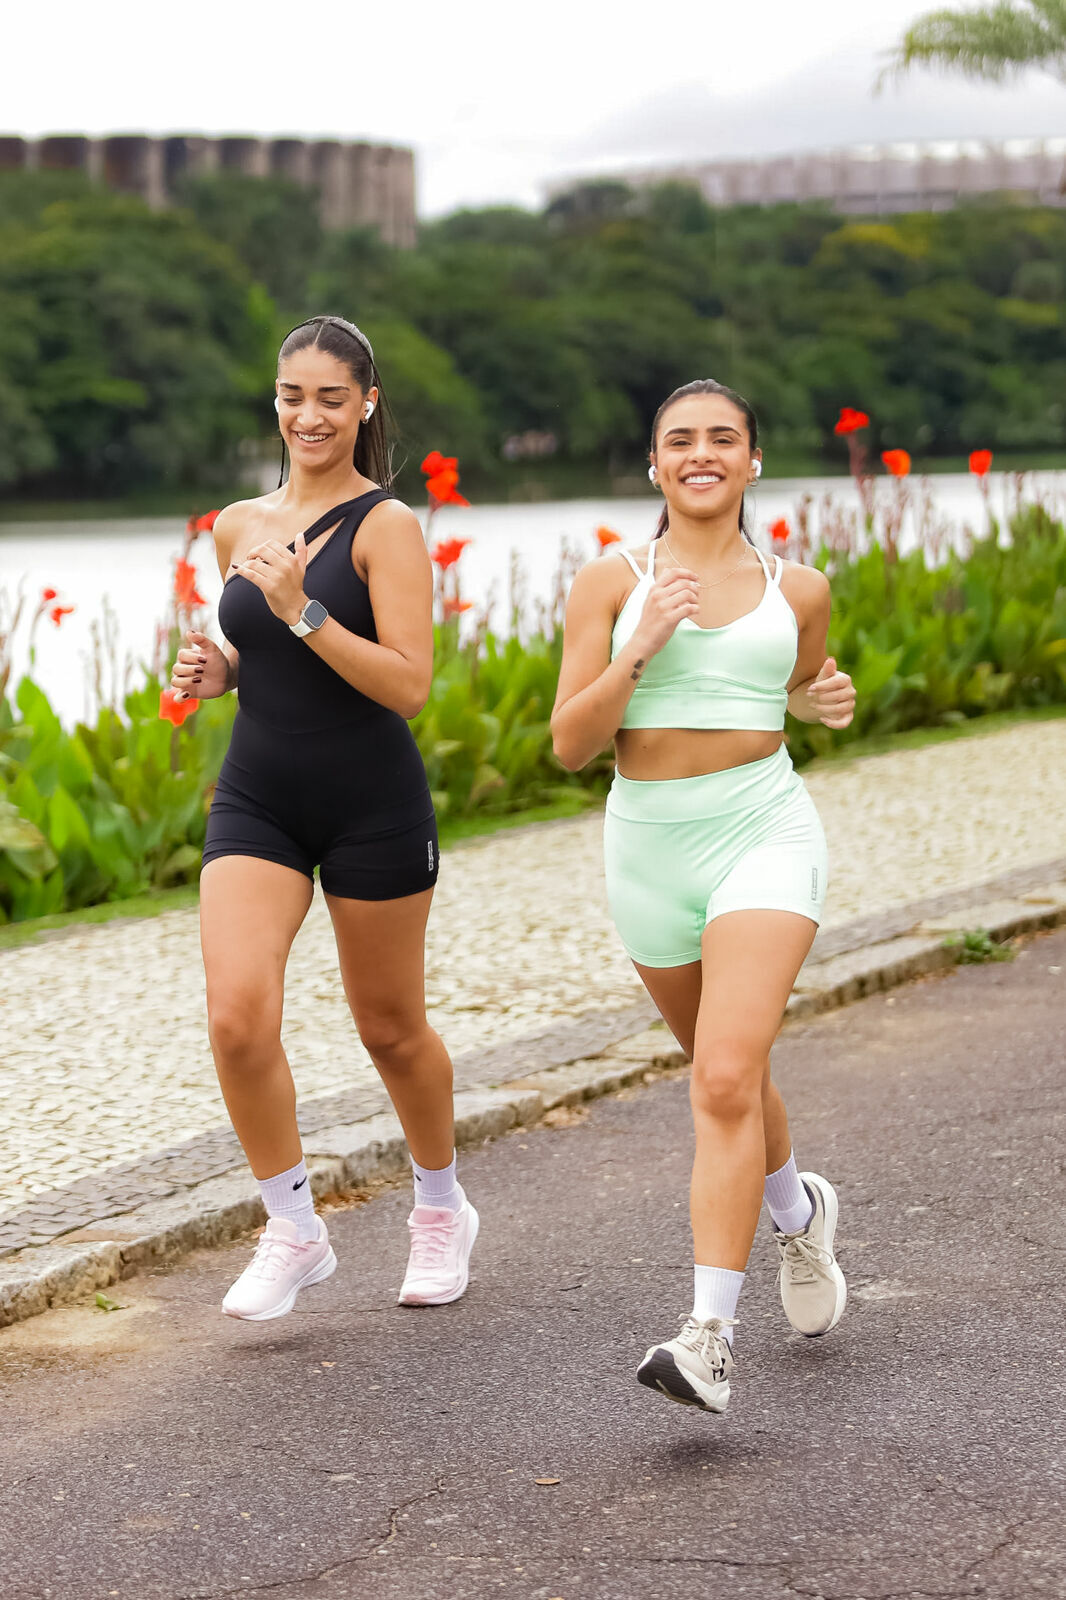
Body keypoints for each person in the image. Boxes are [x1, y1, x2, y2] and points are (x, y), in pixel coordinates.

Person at [551, 380, 856, 1413]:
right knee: (729, 1072)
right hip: (647, 847)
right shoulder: (608, 580)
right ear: (653, 466)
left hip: (762, 829)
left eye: (722, 437)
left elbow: (800, 679)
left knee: (723, 1077)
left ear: (752, 460)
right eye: (678, 440)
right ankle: (796, 1209)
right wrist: (638, 645)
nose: (700, 453)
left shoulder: (799, 585)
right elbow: (568, 745)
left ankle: (707, 1338)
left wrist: (820, 697)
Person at [169, 314, 478, 1321]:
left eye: (331, 398)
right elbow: (267, 662)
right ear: (276, 399)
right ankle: (293, 1226)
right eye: (293, 395)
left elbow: (406, 686)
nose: (310, 415)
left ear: (366, 405)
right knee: (235, 1013)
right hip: (260, 793)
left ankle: (440, 1206)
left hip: (369, 803)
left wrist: (305, 609)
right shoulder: (237, 524)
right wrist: (222, 671)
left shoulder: (387, 527)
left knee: (389, 1028)